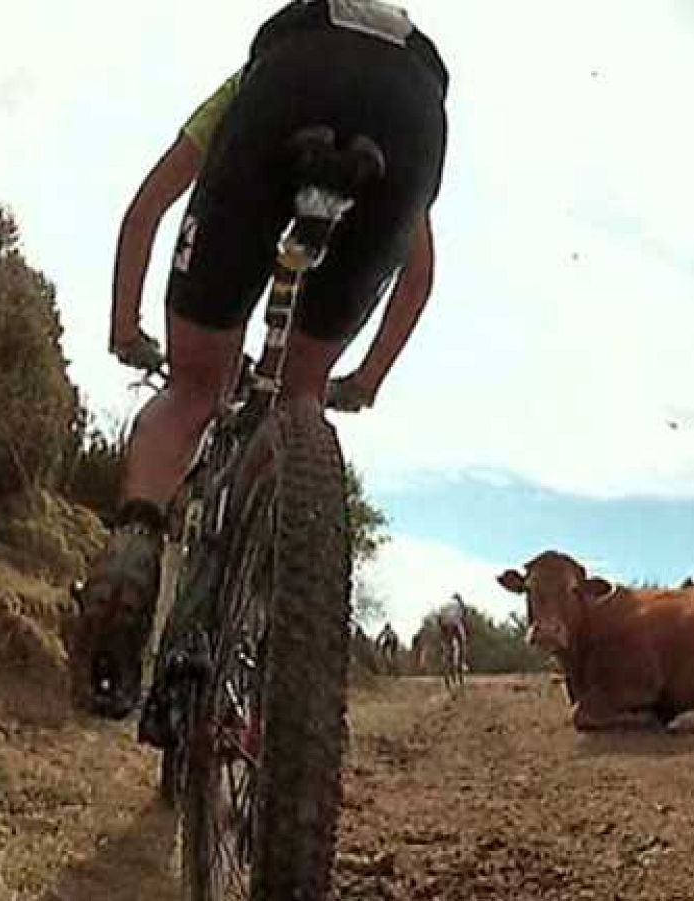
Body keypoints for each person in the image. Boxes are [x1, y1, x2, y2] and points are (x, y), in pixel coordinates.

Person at [68, 0, 450, 719]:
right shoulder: (405, 63)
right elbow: (419, 275)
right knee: (298, 397)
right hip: (417, 113)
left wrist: (126, 330)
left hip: (288, 83)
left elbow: (145, 211)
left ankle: (133, 550)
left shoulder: (251, 75)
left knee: (193, 392)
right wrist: (365, 379)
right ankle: (279, 609)